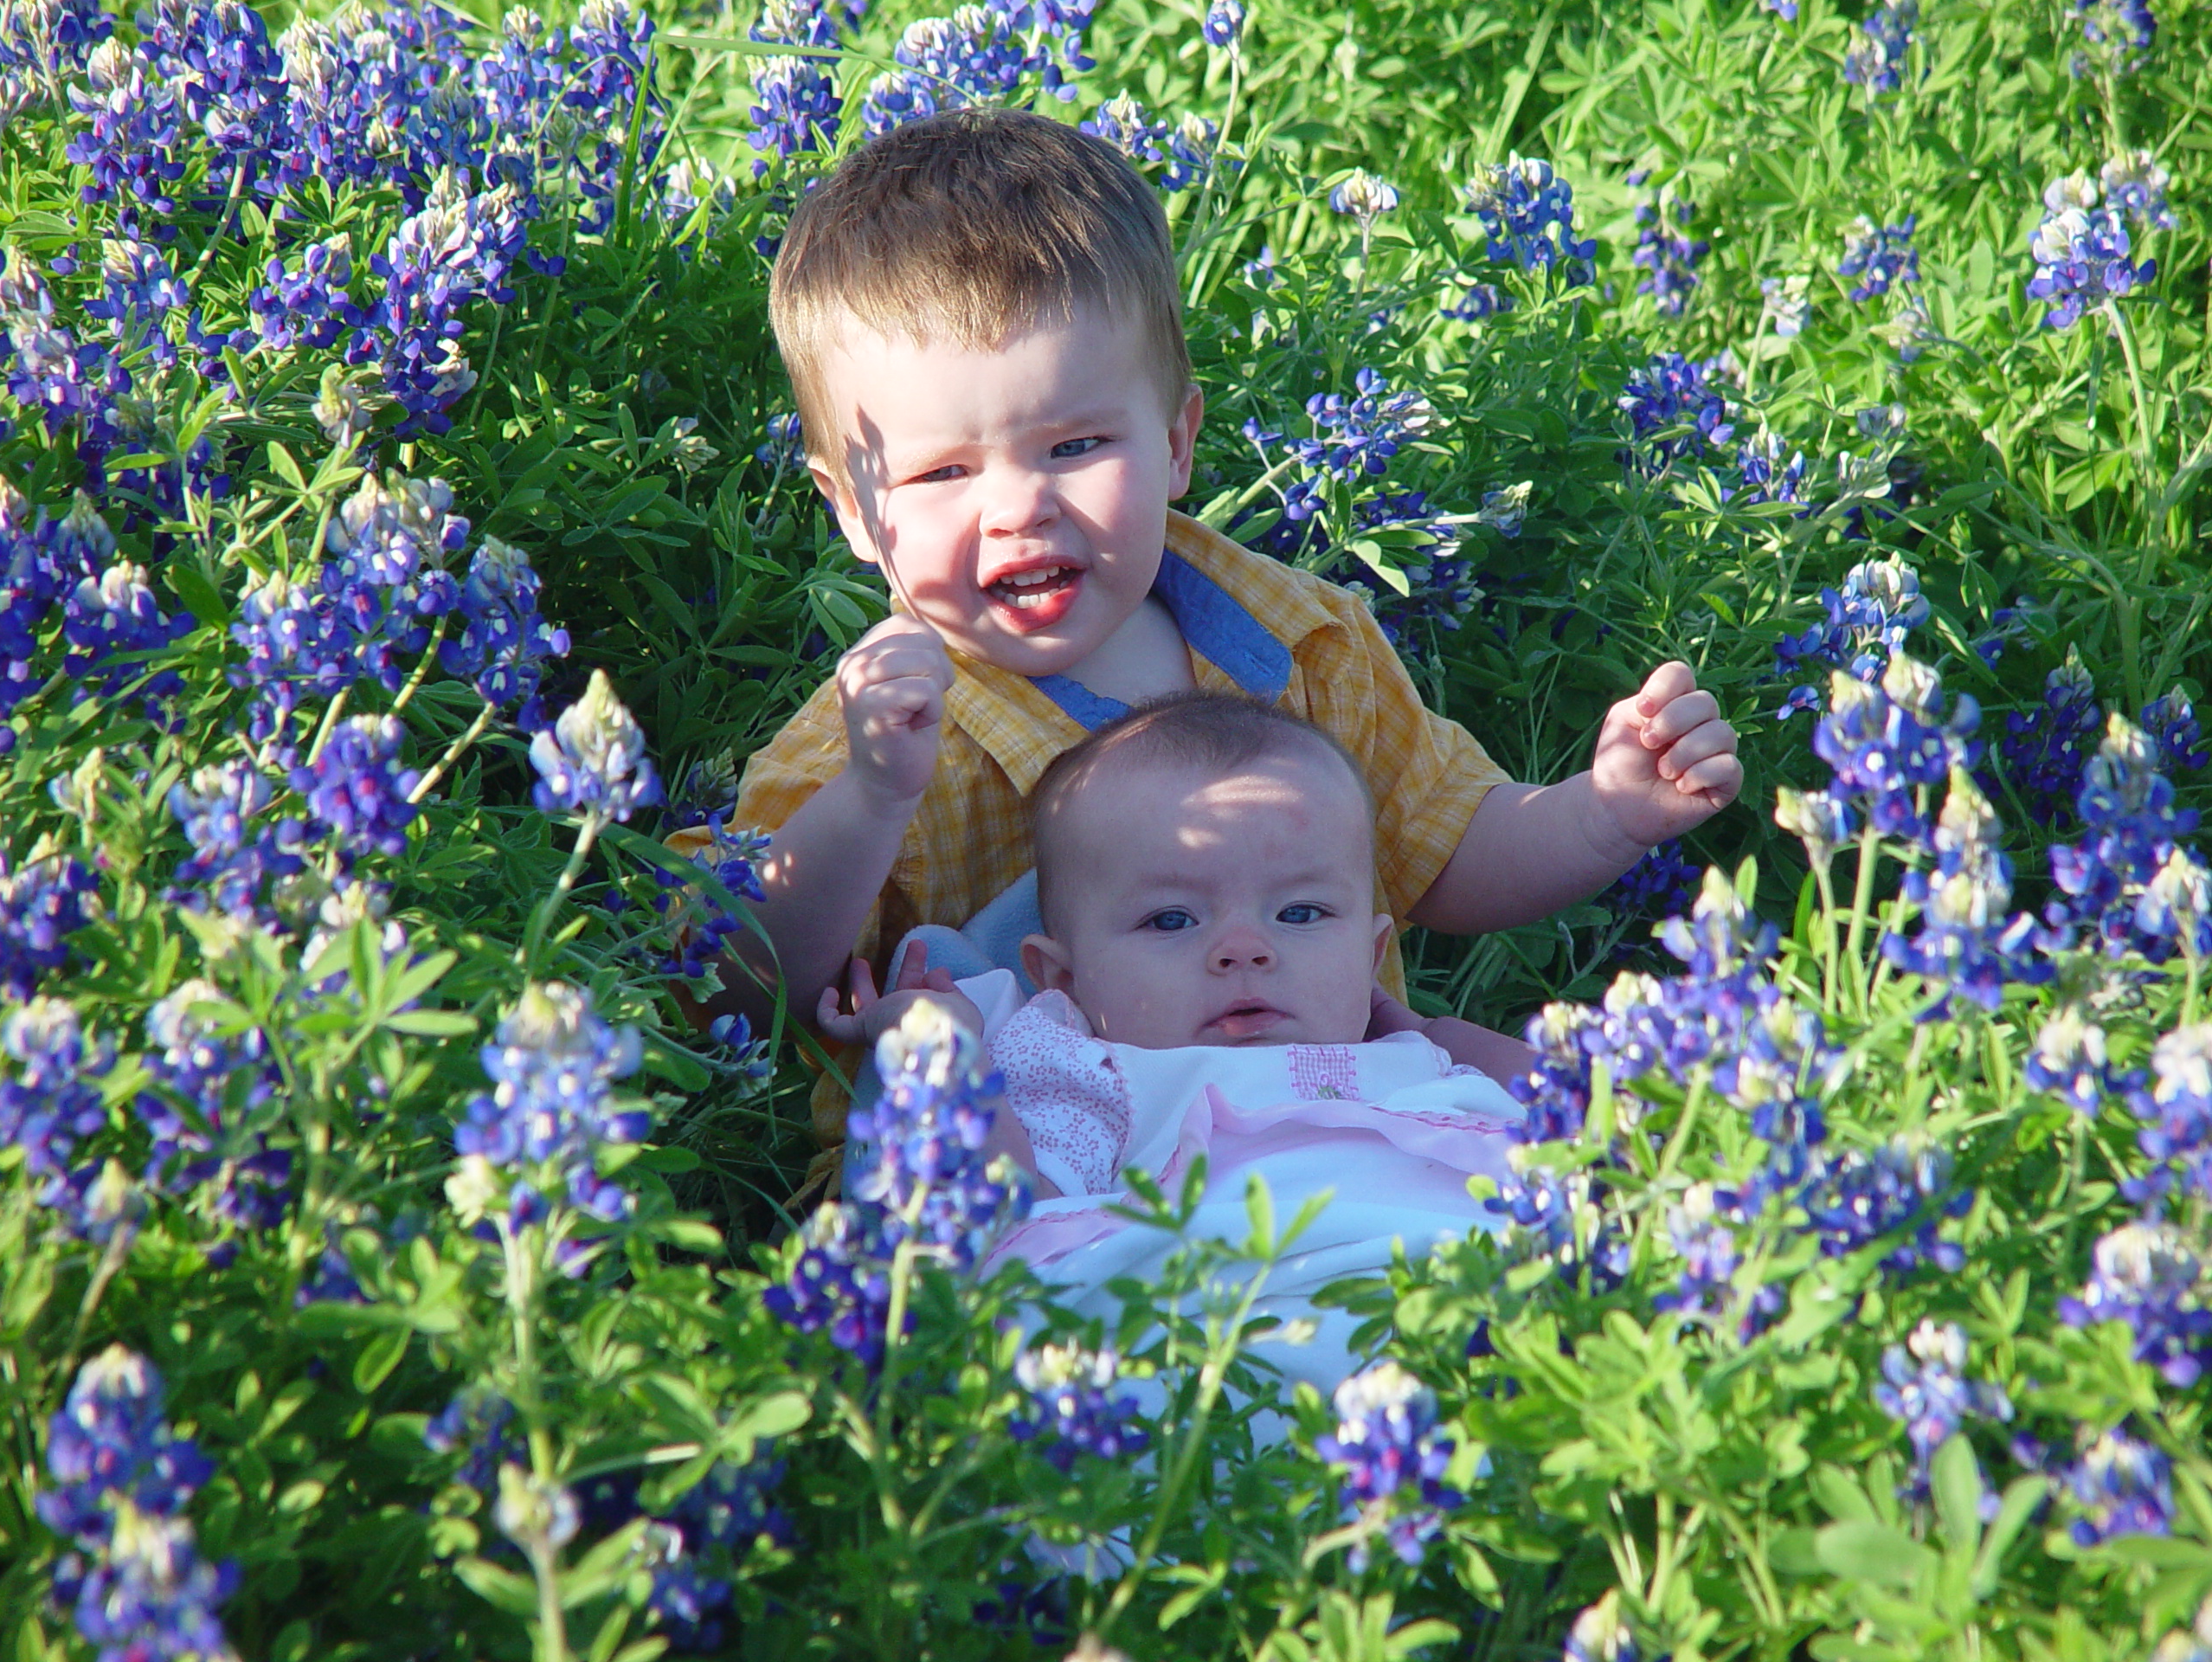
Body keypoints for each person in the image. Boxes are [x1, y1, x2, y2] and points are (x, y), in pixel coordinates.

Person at [687, 106, 1739, 1189]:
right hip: (1021, 1201)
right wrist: (868, 798)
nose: (1018, 510)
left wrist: (1602, 813)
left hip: (1342, 1140)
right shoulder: (870, 743)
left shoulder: (1302, 638)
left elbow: (1446, 846)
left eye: (1078, 443)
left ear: (1179, 439)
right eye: (941, 473)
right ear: (853, 511)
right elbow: (729, 982)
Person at [815, 692, 1527, 1393]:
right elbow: (1004, 1221)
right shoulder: (1097, 1074)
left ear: (1371, 957)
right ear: (1064, 980)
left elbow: (1593, 1107)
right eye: (1171, 921)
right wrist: (943, 1050)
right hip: (1223, 1339)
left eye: (1301, 912)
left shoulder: (1426, 1058)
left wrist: (1444, 1036)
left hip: (1479, 1295)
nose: (1245, 949)